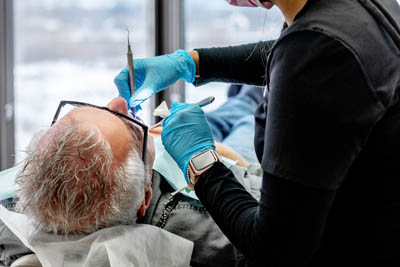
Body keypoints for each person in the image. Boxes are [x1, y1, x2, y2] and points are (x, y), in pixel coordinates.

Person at [113, 0, 400, 266]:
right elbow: (295, 52)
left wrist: (199, 160)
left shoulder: (319, 52)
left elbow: (276, 249)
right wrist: (190, 63)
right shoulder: (346, 12)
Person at [0, 85, 263, 267]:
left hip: (170, 148)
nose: (119, 103)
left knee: (225, 114)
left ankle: (241, 98)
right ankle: (249, 97)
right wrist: (207, 156)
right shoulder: (214, 231)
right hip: (224, 164)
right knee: (246, 120)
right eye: (133, 128)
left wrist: (146, 140)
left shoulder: (6, 221)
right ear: (145, 197)